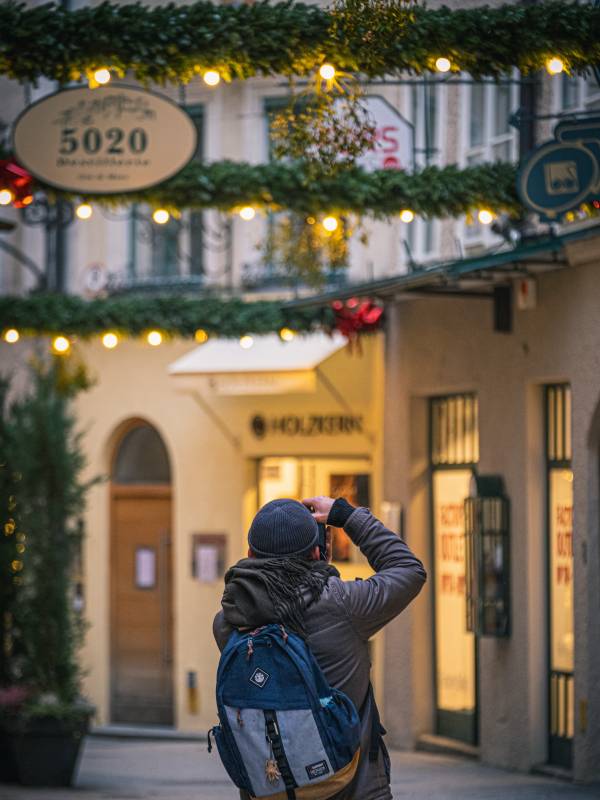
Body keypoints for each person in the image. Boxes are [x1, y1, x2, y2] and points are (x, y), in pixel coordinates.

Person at [213, 495, 427, 800]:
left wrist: (313, 568)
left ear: (250, 553)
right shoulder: (344, 605)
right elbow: (408, 570)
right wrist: (345, 515)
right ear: (317, 551)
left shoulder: (227, 622)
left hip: (271, 791)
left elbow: (283, 605)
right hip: (351, 789)